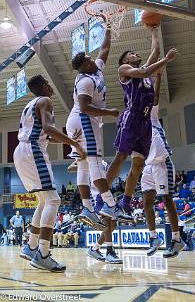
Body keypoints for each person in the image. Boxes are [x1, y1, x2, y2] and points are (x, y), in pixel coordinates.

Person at [14, 74, 86, 272]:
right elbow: (48, 128)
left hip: (23, 151)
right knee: (54, 201)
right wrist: (75, 145)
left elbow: (44, 134)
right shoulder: (46, 100)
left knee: (44, 201)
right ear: (44, 86)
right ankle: (42, 254)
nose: (50, 85)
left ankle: (31, 247)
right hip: (32, 151)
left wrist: (68, 138)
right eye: (48, 82)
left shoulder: (31, 104)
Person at [106, 27, 178, 214]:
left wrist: (154, 32)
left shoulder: (144, 74)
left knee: (137, 164)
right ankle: (102, 197)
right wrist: (167, 60)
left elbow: (154, 52)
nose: (135, 54)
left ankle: (126, 202)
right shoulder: (124, 70)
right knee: (121, 156)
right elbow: (146, 71)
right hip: (132, 117)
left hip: (145, 122)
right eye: (131, 54)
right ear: (124, 60)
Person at [66, 22, 130, 226]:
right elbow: (84, 107)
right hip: (83, 119)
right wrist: (109, 112)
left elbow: (105, 49)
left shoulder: (97, 69)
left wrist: (108, 28)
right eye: (88, 60)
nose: (93, 59)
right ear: (84, 66)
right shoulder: (85, 80)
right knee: (93, 163)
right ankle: (110, 205)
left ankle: (88, 207)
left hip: (81, 121)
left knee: (84, 166)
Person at [140, 70, 185, 258]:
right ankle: (154, 237)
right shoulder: (135, 126)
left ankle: (176, 239)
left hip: (162, 163)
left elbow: (156, 96)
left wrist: (157, 77)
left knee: (166, 199)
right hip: (147, 167)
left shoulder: (151, 116)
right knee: (146, 203)